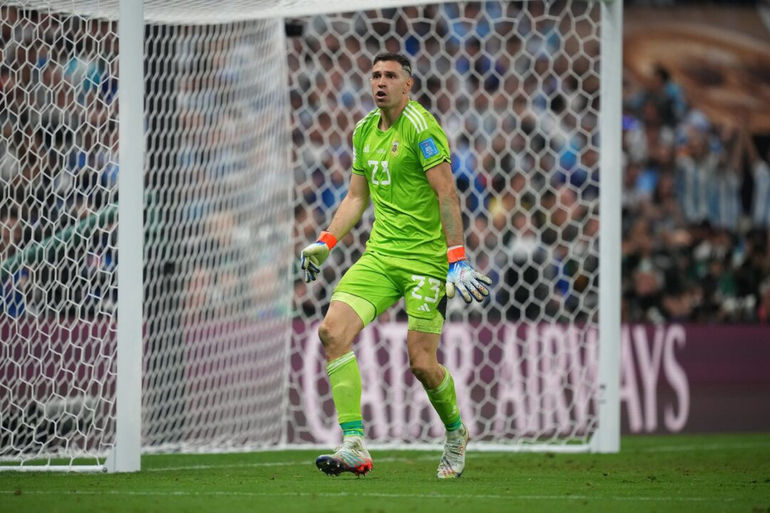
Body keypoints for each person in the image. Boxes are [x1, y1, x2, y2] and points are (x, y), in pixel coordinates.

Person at [300, 52, 492, 479]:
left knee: (422, 363)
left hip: (425, 261)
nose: (380, 82)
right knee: (332, 332)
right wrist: (325, 242)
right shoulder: (365, 130)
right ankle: (353, 444)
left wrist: (456, 259)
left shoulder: (423, 129)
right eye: (375, 75)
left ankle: (456, 433)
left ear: (409, 85)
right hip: (382, 256)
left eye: (390, 76)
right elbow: (355, 197)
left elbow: (447, 195)